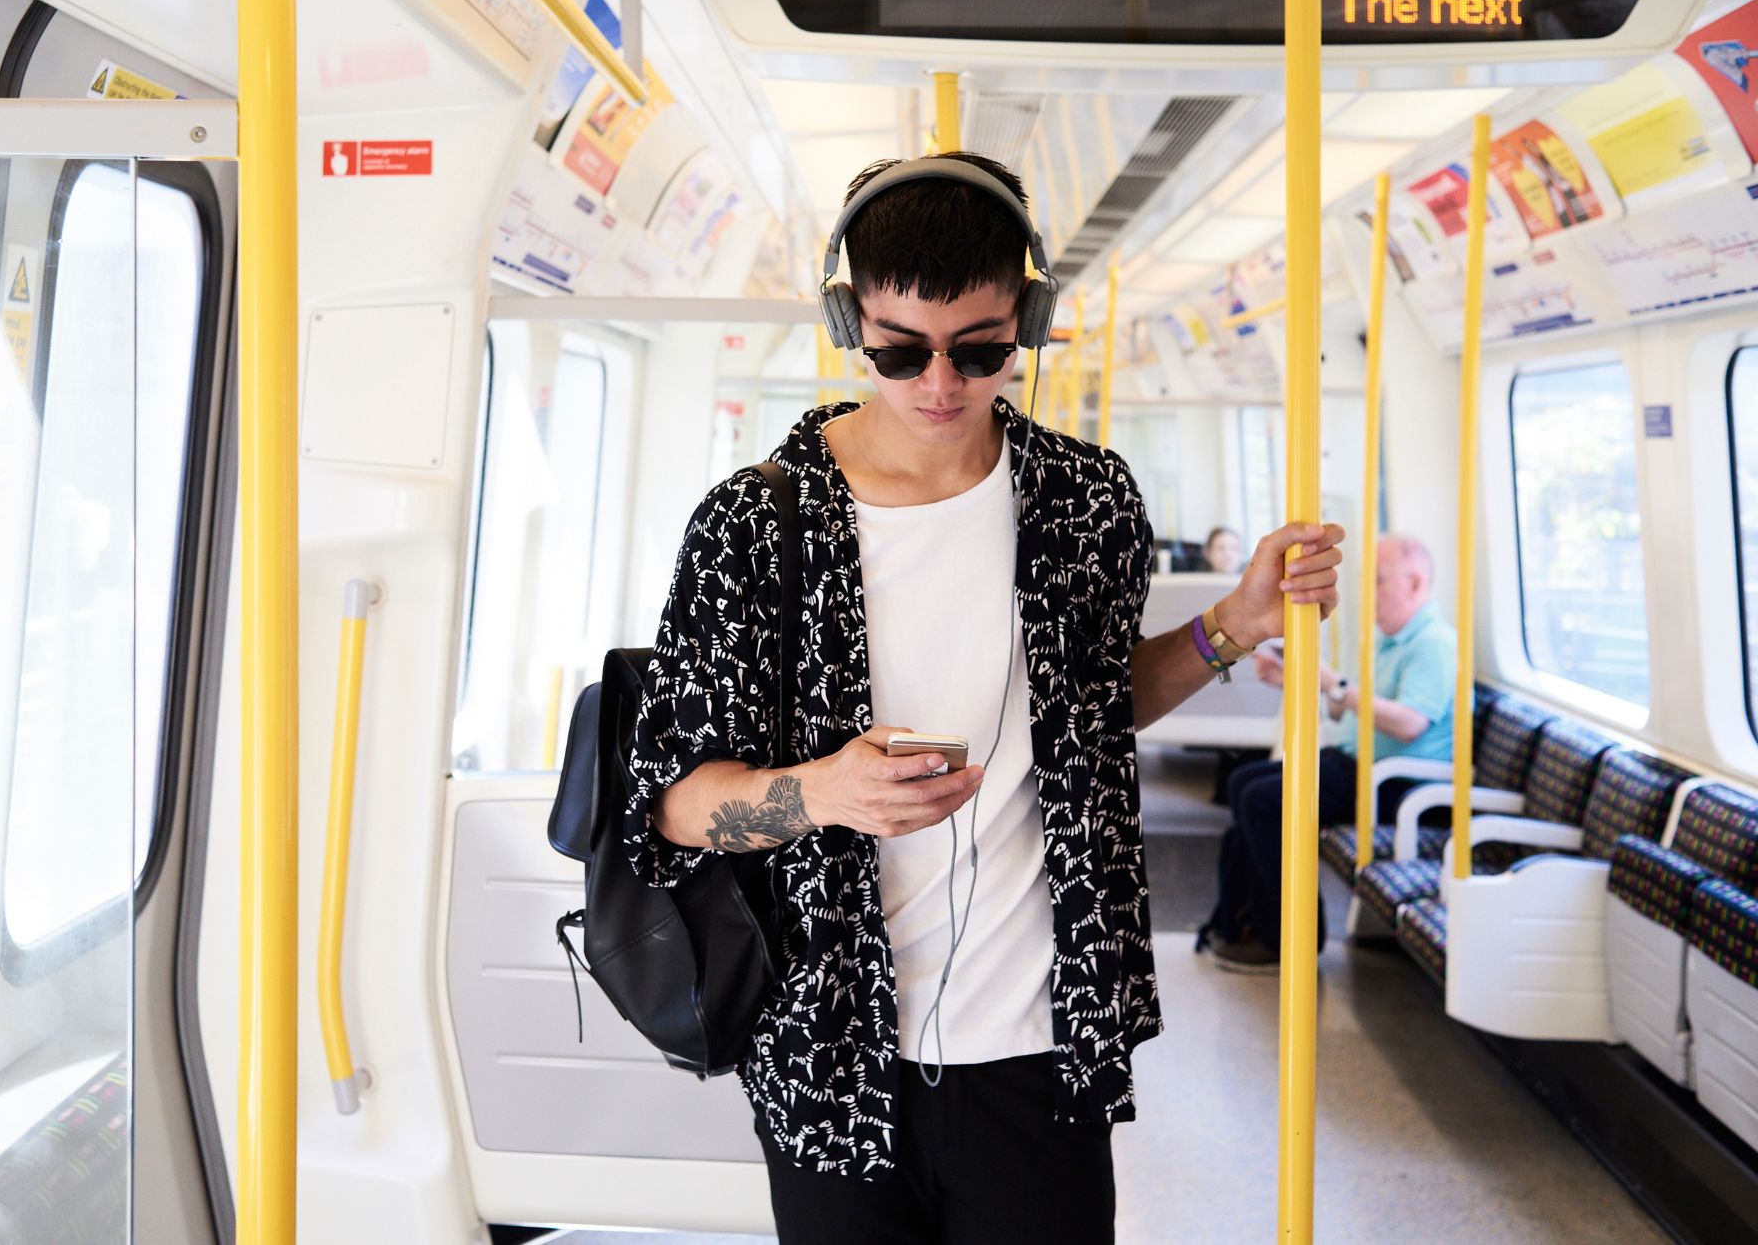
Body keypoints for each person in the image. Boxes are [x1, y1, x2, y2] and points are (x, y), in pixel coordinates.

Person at [620, 150, 1345, 1244]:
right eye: (899, 350)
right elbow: (672, 805)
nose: (940, 384)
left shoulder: (1089, 503)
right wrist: (820, 794)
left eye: (982, 348)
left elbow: (1095, 712)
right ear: (845, 319)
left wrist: (1229, 625)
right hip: (828, 1046)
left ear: (1031, 318)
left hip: (1042, 1039)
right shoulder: (752, 528)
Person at [1198, 533, 1457, 971]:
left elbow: (1410, 723)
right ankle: (1242, 920)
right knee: (1243, 782)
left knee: (1263, 801)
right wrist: (1296, 680)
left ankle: (1289, 940)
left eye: (1378, 581)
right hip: (1362, 765)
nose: (1368, 594)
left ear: (1415, 584)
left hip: (1400, 784)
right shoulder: (1390, 640)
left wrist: (1333, 684)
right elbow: (1352, 709)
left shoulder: (1432, 642)